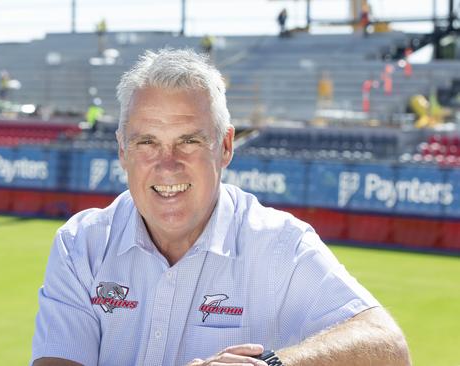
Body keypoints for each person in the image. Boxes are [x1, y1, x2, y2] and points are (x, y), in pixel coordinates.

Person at [31, 49, 410, 366]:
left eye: (189, 140)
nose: (167, 164)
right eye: (147, 142)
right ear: (121, 150)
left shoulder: (280, 245)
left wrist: (275, 364)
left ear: (225, 146)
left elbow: (389, 347)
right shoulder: (81, 244)